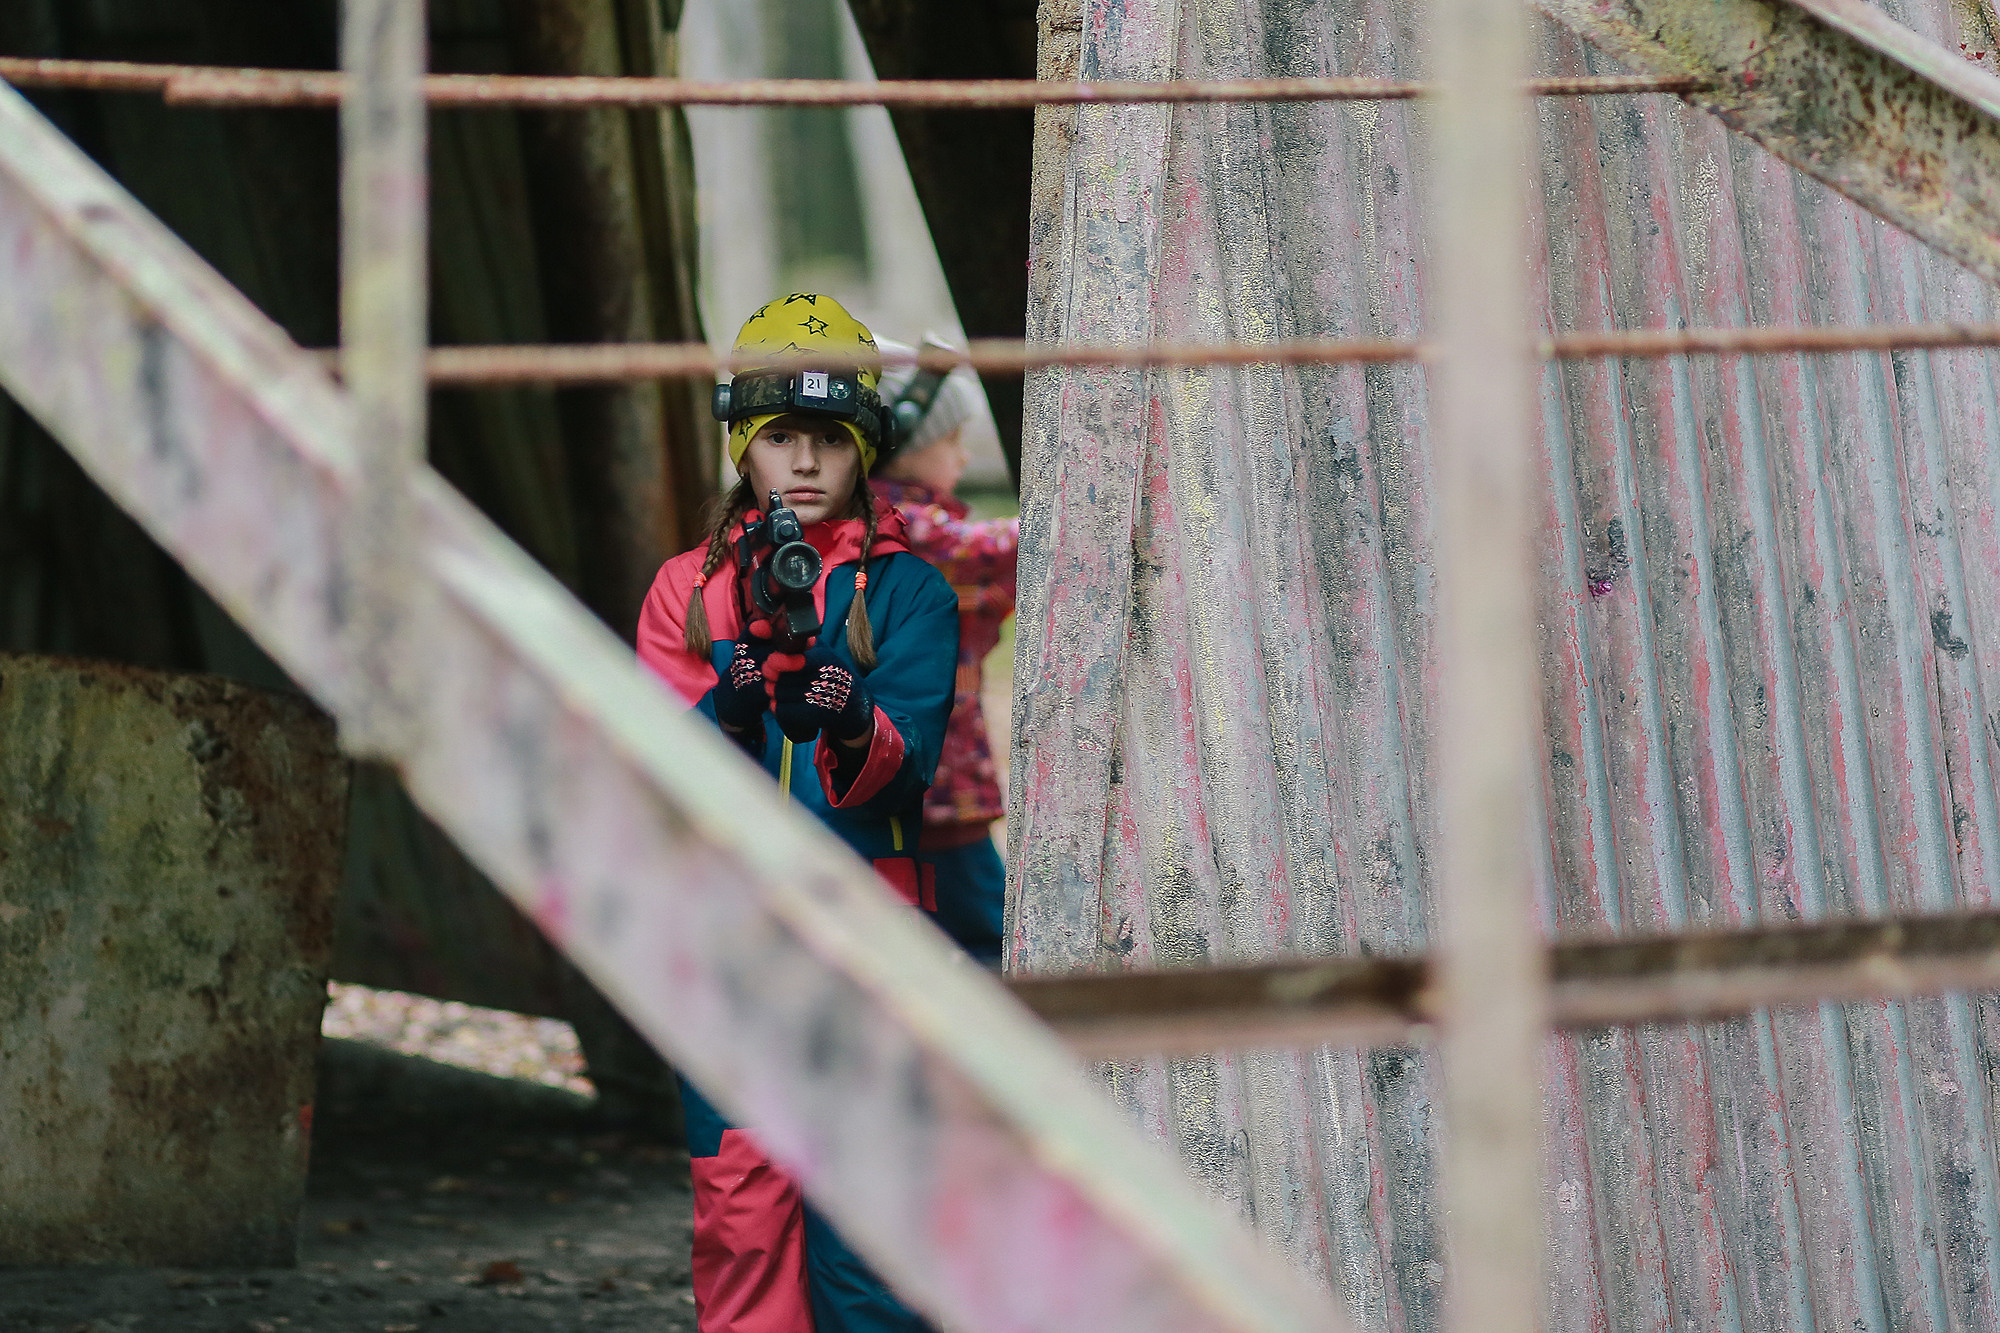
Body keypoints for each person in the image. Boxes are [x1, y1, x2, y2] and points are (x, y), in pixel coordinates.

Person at [635, 295, 958, 1333]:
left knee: (866, 1221)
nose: (805, 461)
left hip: (866, 942)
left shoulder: (910, 592)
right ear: (744, 446)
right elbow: (650, 777)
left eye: (829, 438)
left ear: (864, 448)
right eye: (780, 438)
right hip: (725, 947)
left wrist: (853, 719)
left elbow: (906, 770)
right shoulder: (687, 590)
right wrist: (726, 706)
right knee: (742, 1214)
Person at [869, 347, 1018, 966]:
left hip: (883, 791)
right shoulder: (903, 528)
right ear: (903, 440)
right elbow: (1002, 551)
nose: (962, 456)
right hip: (935, 796)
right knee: (994, 943)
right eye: (953, 440)